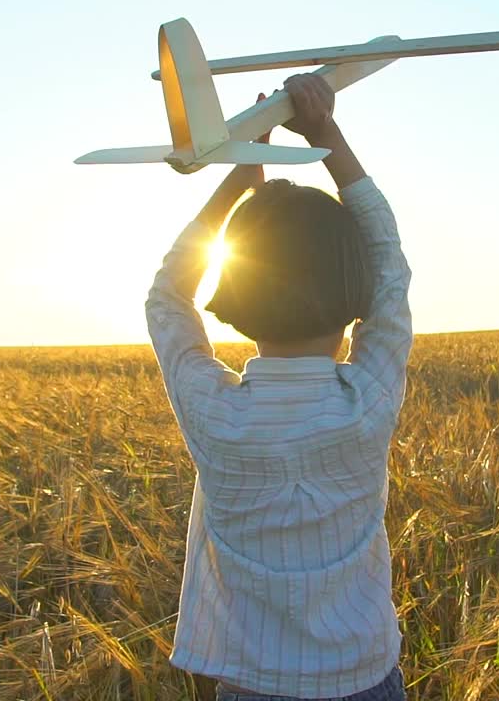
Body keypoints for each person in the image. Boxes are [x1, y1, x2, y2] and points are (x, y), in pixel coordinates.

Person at [145, 72, 412, 701]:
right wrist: (327, 136)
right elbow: (391, 263)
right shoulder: (365, 403)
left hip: (251, 684)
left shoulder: (216, 415)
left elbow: (167, 296)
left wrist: (238, 180)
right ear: (356, 297)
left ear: (240, 292)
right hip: (364, 676)